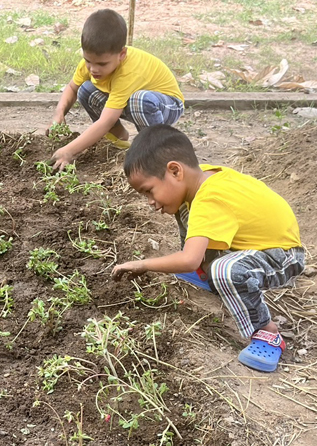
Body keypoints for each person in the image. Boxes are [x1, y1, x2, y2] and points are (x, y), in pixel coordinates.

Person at [111, 125, 305, 372]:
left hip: (284, 256)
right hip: (253, 248)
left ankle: (268, 333)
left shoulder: (210, 198)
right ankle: (209, 273)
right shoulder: (200, 177)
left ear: (174, 170)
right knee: (182, 208)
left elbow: (188, 260)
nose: (150, 202)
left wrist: (143, 264)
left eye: (149, 191)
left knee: (226, 271)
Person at [49, 9, 184, 171]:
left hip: (167, 104)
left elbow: (107, 120)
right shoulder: (92, 64)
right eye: (88, 61)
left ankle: (154, 149)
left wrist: (68, 151)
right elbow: (72, 88)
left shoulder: (128, 71)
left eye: (102, 64)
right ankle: (117, 137)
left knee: (139, 100)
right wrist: (59, 113)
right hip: (133, 102)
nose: (93, 69)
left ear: (122, 54)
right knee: (85, 89)